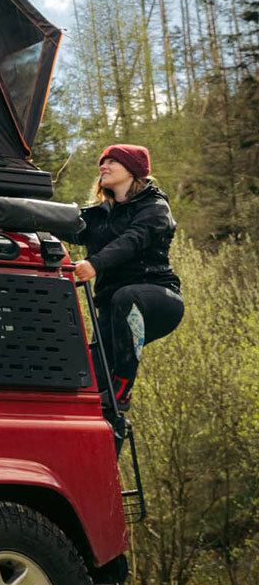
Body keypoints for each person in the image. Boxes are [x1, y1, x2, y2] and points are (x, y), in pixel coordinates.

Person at [74, 144, 183, 413]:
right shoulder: (98, 216)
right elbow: (55, 220)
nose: (104, 166)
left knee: (126, 297)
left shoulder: (155, 207)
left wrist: (94, 264)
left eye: (112, 161)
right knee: (90, 380)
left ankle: (123, 387)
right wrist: (8, 222)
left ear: (133, 170)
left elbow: (132, 241)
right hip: (113, 313)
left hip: (157, 299)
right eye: (102, 161)